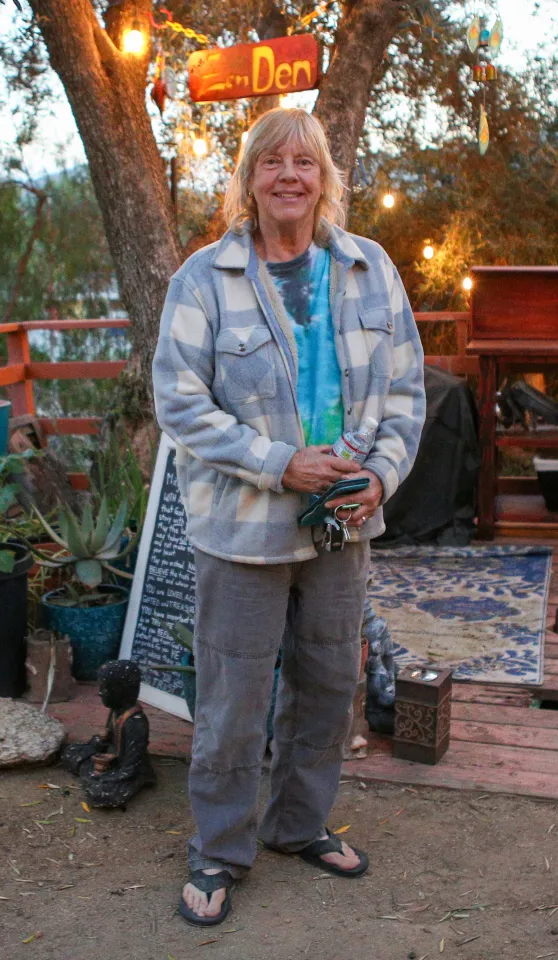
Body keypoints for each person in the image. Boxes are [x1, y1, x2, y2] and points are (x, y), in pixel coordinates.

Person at [153, 107, 425, 927]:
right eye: (270, 162)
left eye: (303, 163)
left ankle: (296, 825)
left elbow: (405, 390)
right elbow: (179, 403)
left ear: (324, 179)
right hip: (242, 526)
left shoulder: (368, 268)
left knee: (328, 681)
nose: (288, 176)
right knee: (235, 693)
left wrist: (379, 475)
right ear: (249, 180)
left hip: (342, 521)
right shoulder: (204, 278)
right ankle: (219, 849)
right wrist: (280, 463)